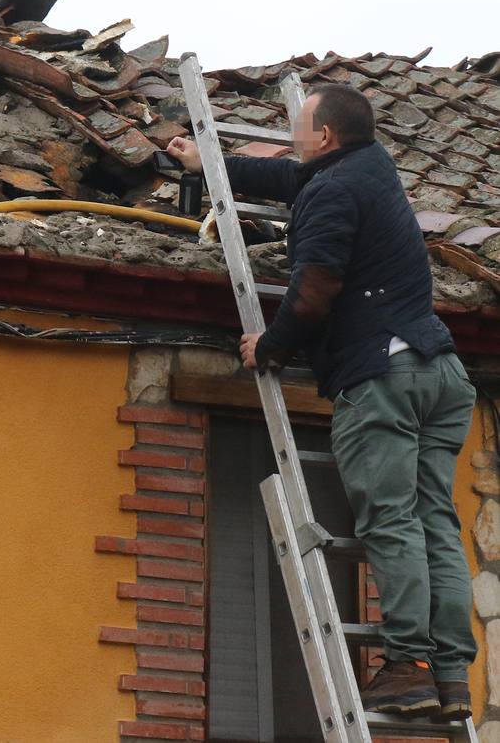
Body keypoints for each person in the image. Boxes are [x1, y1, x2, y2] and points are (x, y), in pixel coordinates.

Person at [166, 84, 477, 720]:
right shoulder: (371, 167)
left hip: (381, 377)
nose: (292, 137)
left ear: (327, 137)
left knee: (390, 521)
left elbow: (315, 291)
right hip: (440, 373)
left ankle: (405, 668)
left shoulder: (332, 192)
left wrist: (271, 345)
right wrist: (211, 160)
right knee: (435, 523)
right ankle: (449, 679)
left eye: (301, 128)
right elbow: (290, 176)